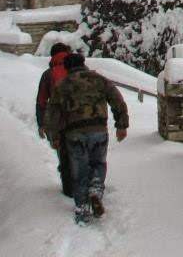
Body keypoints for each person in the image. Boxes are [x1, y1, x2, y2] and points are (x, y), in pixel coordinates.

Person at [44, 52, 129, 225]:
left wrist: (54, 137)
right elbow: (117, 99)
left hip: (74, 134)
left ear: (67, 68)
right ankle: (96, 190)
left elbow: (52, 113)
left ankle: (82, 208)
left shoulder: (63, 85)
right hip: (98, 129)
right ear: (83, 63)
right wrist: (122, 125)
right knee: (98, 163)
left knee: (79, 171)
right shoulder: (99, 79)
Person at [35, 42, 73, 197]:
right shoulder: (77, 69)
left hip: (58, 122)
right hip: (81, 118)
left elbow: (41, 101)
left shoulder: (48, 74)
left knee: (64, 155)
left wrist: (41, 124)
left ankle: (69, 189)